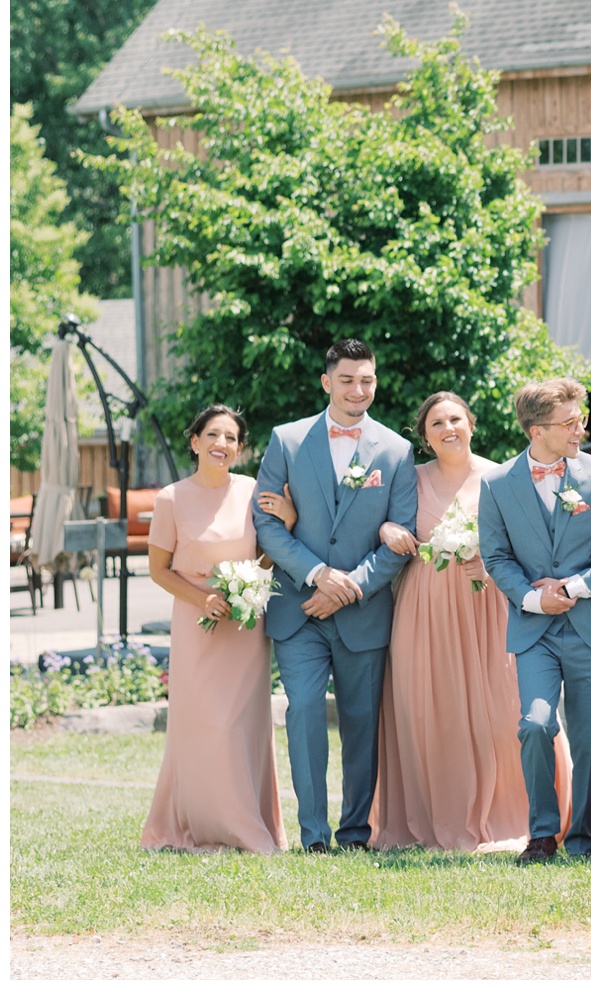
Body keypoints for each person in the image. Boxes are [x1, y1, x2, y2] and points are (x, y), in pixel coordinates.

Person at [366, 392, 570, 851]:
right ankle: (438, 815)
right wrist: (386, 530)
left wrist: (496, 566)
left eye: (455, 418)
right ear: (425, 436)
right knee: (431, 712)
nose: (447, 428)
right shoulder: (409, 479)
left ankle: (518, 814)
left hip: (489, 605)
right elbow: (378, 521)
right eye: (436, 423)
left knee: (503, 710)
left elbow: (532, 543)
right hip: (426, 608)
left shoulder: (501, 477)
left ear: (472, 423)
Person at [252, 337, 418, 852]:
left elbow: (402, 536)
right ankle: (313, 835)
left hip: (362, 610)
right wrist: (318, 574)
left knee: (361, 722)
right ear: (327, 382)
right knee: (302, 711)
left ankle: (353, 832)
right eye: (347, 379)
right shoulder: (286, 439)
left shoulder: (396, 450)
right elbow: (265, 520)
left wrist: (346, 590)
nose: (358, 389)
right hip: (298, 608)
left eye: (366, 379)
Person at [478, 378, 591, 862]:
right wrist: (533, 600)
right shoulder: (497, 484)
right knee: (534, 724)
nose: (580, 428)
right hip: (534, 631)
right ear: (535, 431)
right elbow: (496, 556)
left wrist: (572, 588)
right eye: (569, 422)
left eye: (580, 418)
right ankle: (542, 833)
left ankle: (582, 839)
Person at [141, 405, 285, 853]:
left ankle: (246, 822)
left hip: (244, 627)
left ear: (240, 449)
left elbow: (266, 554)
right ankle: (201, 823)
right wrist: (203, 598)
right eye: (213, 435)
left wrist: (253, 580)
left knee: (241, 726)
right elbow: (158, 570)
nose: (222, 444)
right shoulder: (170, 499)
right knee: (206, 724)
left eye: (231, 438)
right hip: (196, 623)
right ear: (195, 441)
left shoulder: (252, 492)